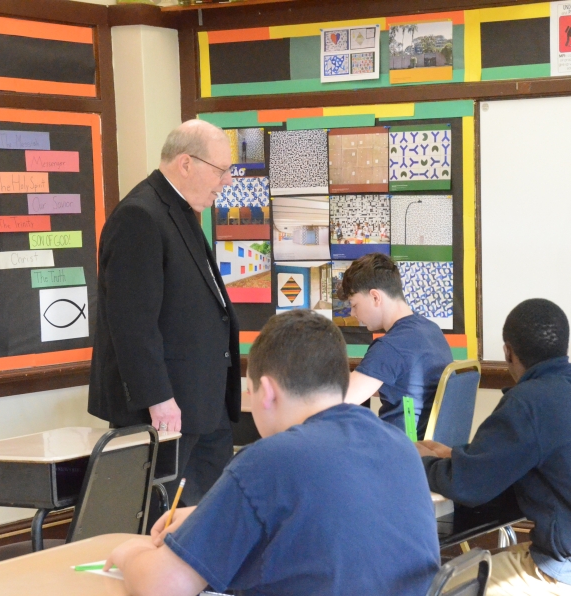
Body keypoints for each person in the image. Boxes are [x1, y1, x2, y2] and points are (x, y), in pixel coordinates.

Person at [105, 311, 441, 596]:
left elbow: (162, 586)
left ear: (265, 392)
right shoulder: (398, 446)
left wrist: (128, 550)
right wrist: (204, 515)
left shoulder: (269, 459)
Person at [417, 299, 571, 596]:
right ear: (564, 348)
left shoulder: (527, 401)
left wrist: (415, 462)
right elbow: (528, 453)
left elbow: (467, 485)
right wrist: (456, 455)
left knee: (441, 586)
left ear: (507, 352)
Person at [89, 119, 241, 507]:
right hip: (168, 410)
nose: (225, 183)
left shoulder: (180, 210)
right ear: (186, 163)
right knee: (161, 519)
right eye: (221, 171)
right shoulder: (140, 216)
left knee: (202, 519)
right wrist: (158, 398)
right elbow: (132, 322)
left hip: (204, 403)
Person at [340, 253, 452, 437]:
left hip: (399, 451)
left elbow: (341, 400)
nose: (352, 313)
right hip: (428, 449)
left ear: (375, 297)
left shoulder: (391, 346)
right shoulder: (431, 330)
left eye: (354, 304)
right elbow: (396, 384)